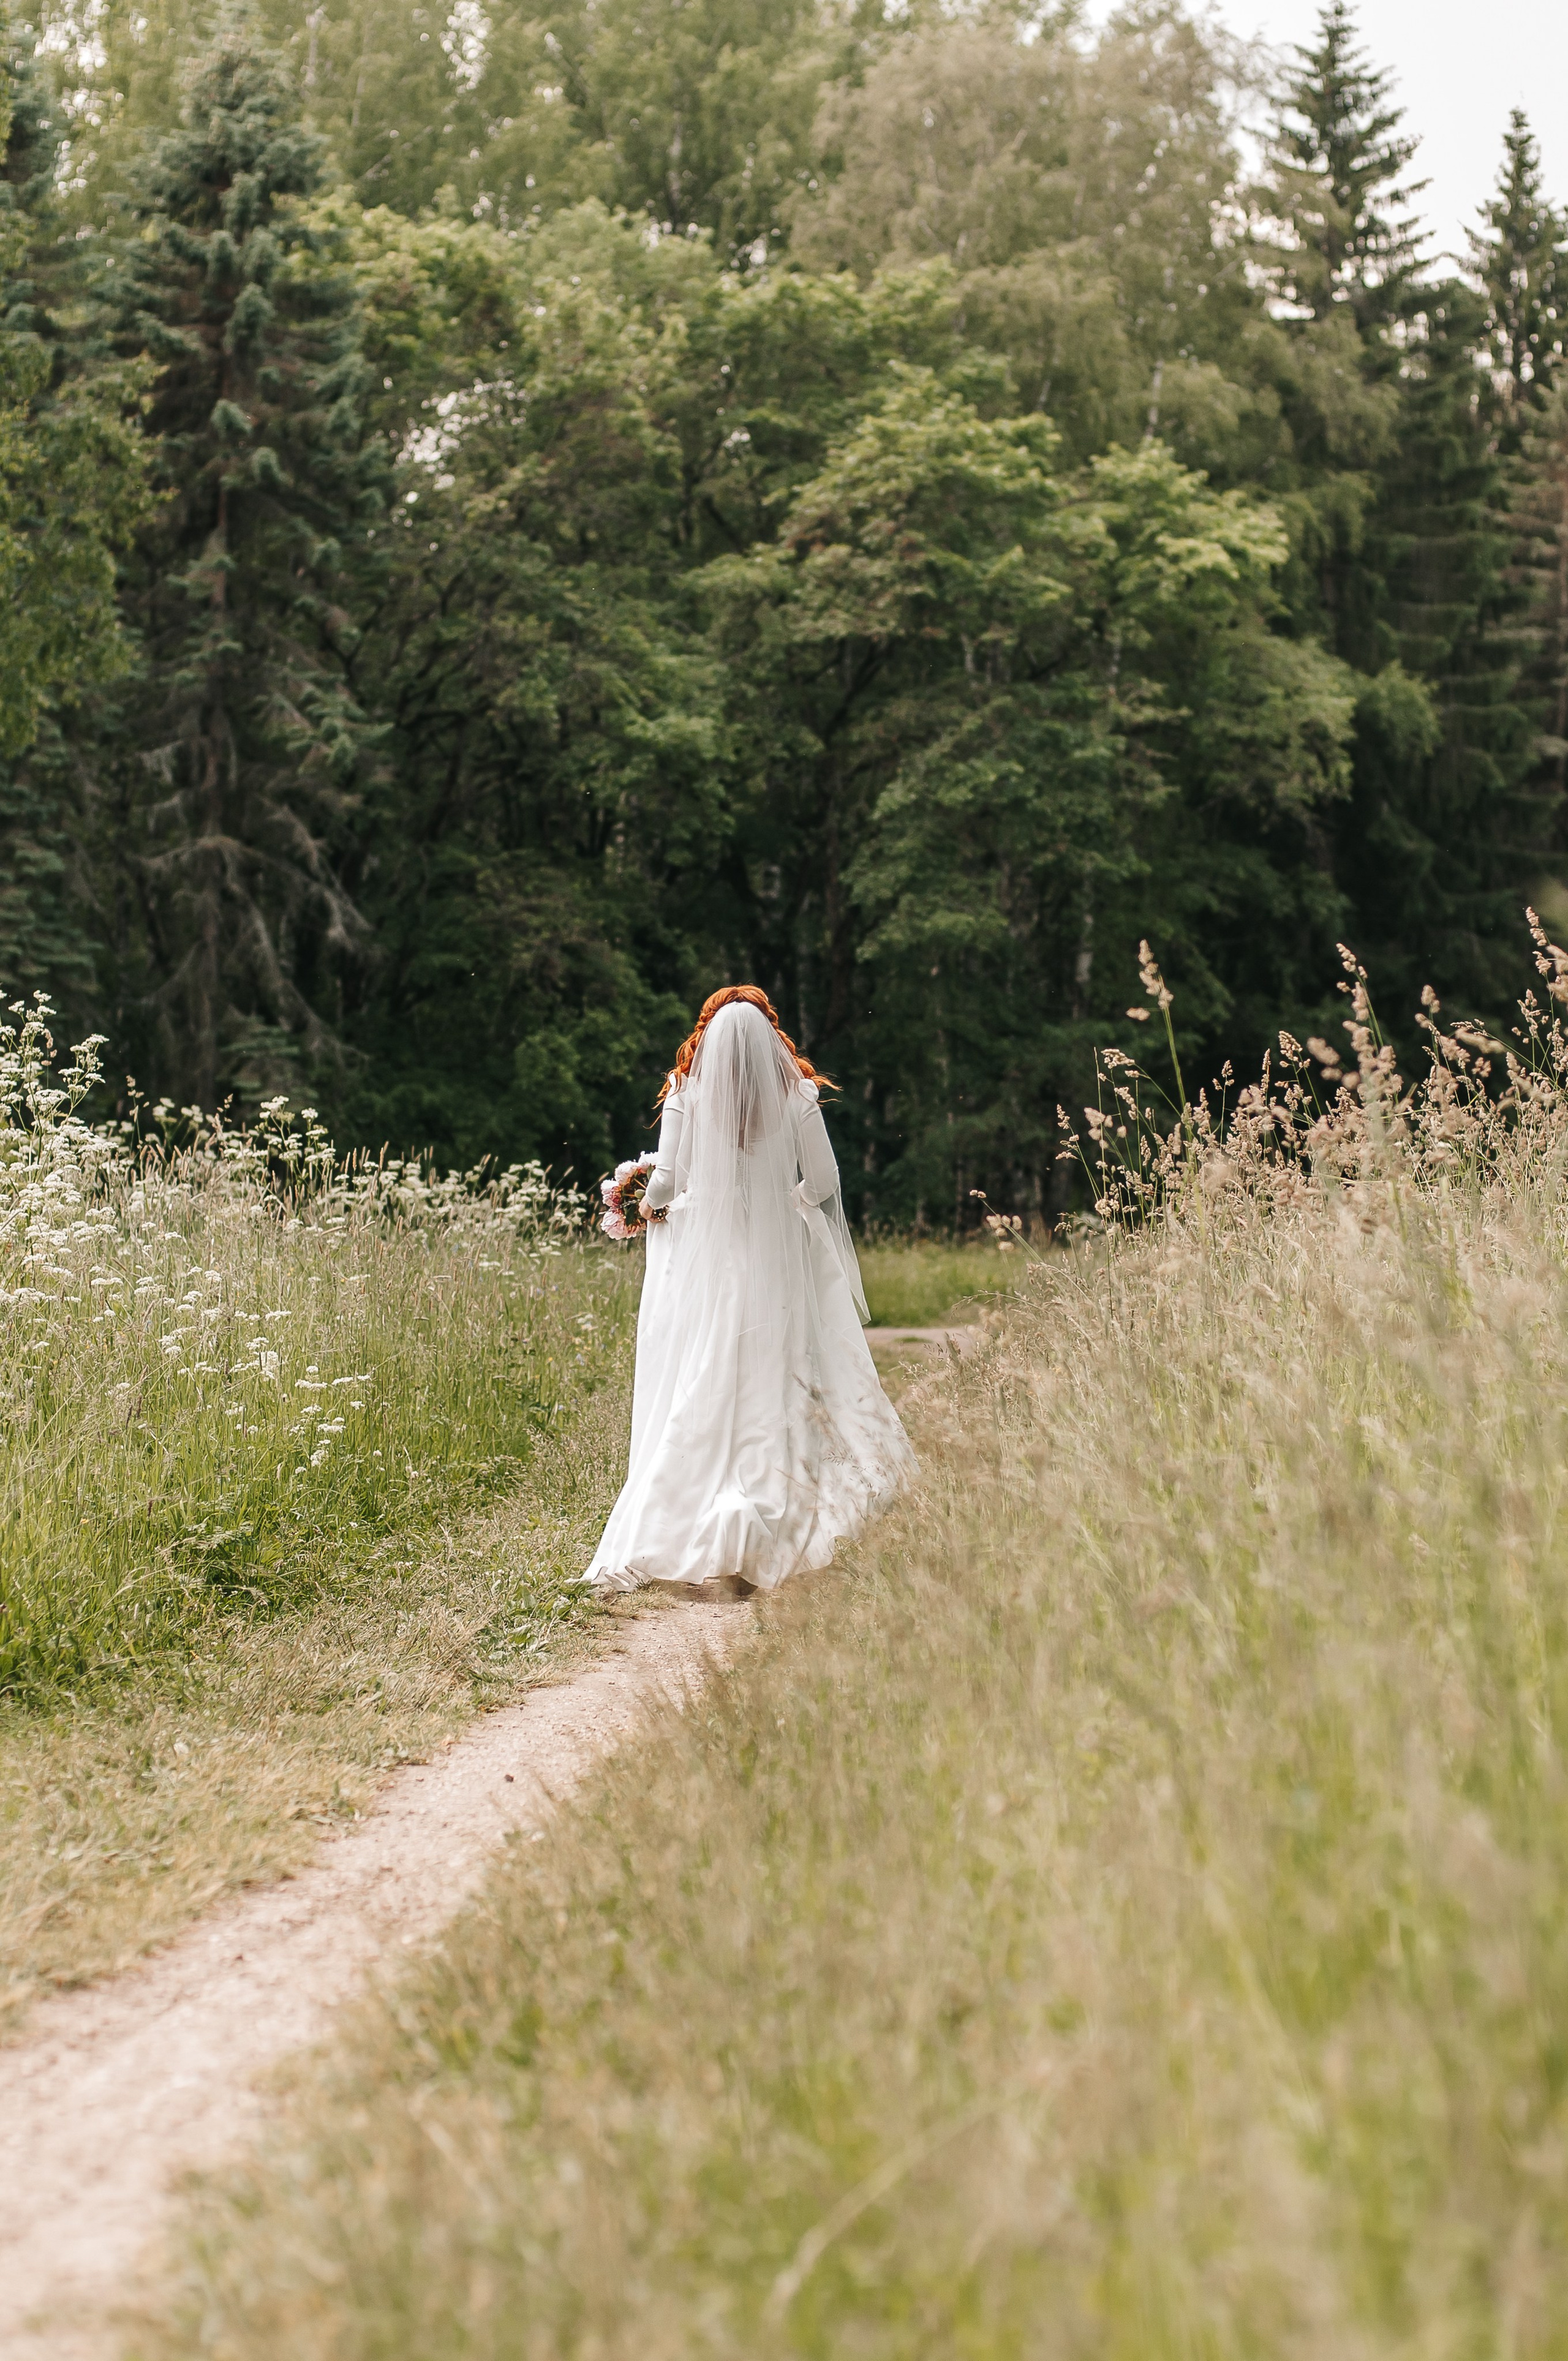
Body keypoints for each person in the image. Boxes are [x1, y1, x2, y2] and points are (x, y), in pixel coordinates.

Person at [584, 987, 914, 1594]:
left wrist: (645, 1199)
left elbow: (670, 1182)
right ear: (769, 1036)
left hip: (710, 1263)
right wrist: (789, 1205)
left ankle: (677, 1528)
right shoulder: (798, 1095)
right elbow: (823, 1180)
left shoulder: (687, 1092)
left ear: (706, 1035)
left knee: (705, 1375)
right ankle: (781, 1513)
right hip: (775, 1257)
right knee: (778, 1375)